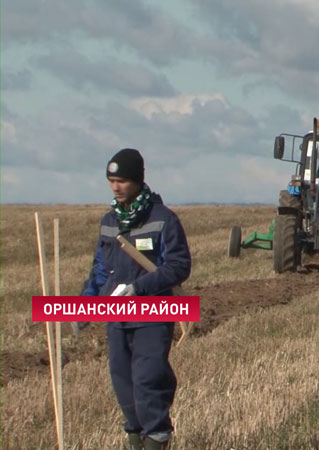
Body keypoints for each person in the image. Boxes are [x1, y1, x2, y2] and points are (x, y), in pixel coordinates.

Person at [80, 148, 191, 450]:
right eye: (111, 181)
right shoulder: (109, 222)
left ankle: (156, 438)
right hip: (116, 319)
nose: (116, 187)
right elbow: (100, 270)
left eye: (123, 181)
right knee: (125, 390)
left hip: (151, 317)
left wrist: (138, 288)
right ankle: (135, 439)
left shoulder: (163, 220)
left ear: (139, 181)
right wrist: (85, 306)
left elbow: (178, 266)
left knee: (148, 382)